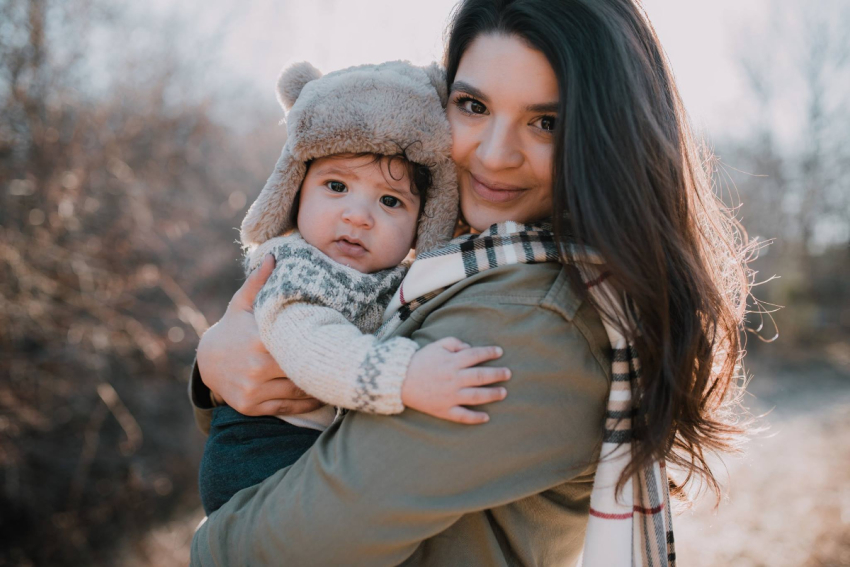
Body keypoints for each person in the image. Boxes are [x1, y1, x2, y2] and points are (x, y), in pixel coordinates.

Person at [189, 0, 750, 565]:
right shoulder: (459, 262)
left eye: (545, 122)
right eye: (473, 105)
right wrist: (219, 367)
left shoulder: (534, 316)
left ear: (606, 136)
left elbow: (278, 547)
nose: (495, 154)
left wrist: (206, 547)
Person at [198, 60, 514, 515]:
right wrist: (404, 377)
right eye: (336, 185)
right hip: (261, 458)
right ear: (295, 191)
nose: (358, 215)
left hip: (311, 450)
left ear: (424, 222)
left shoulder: (395, 278)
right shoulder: (295, 270)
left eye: (390, 201)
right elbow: (313, 346)